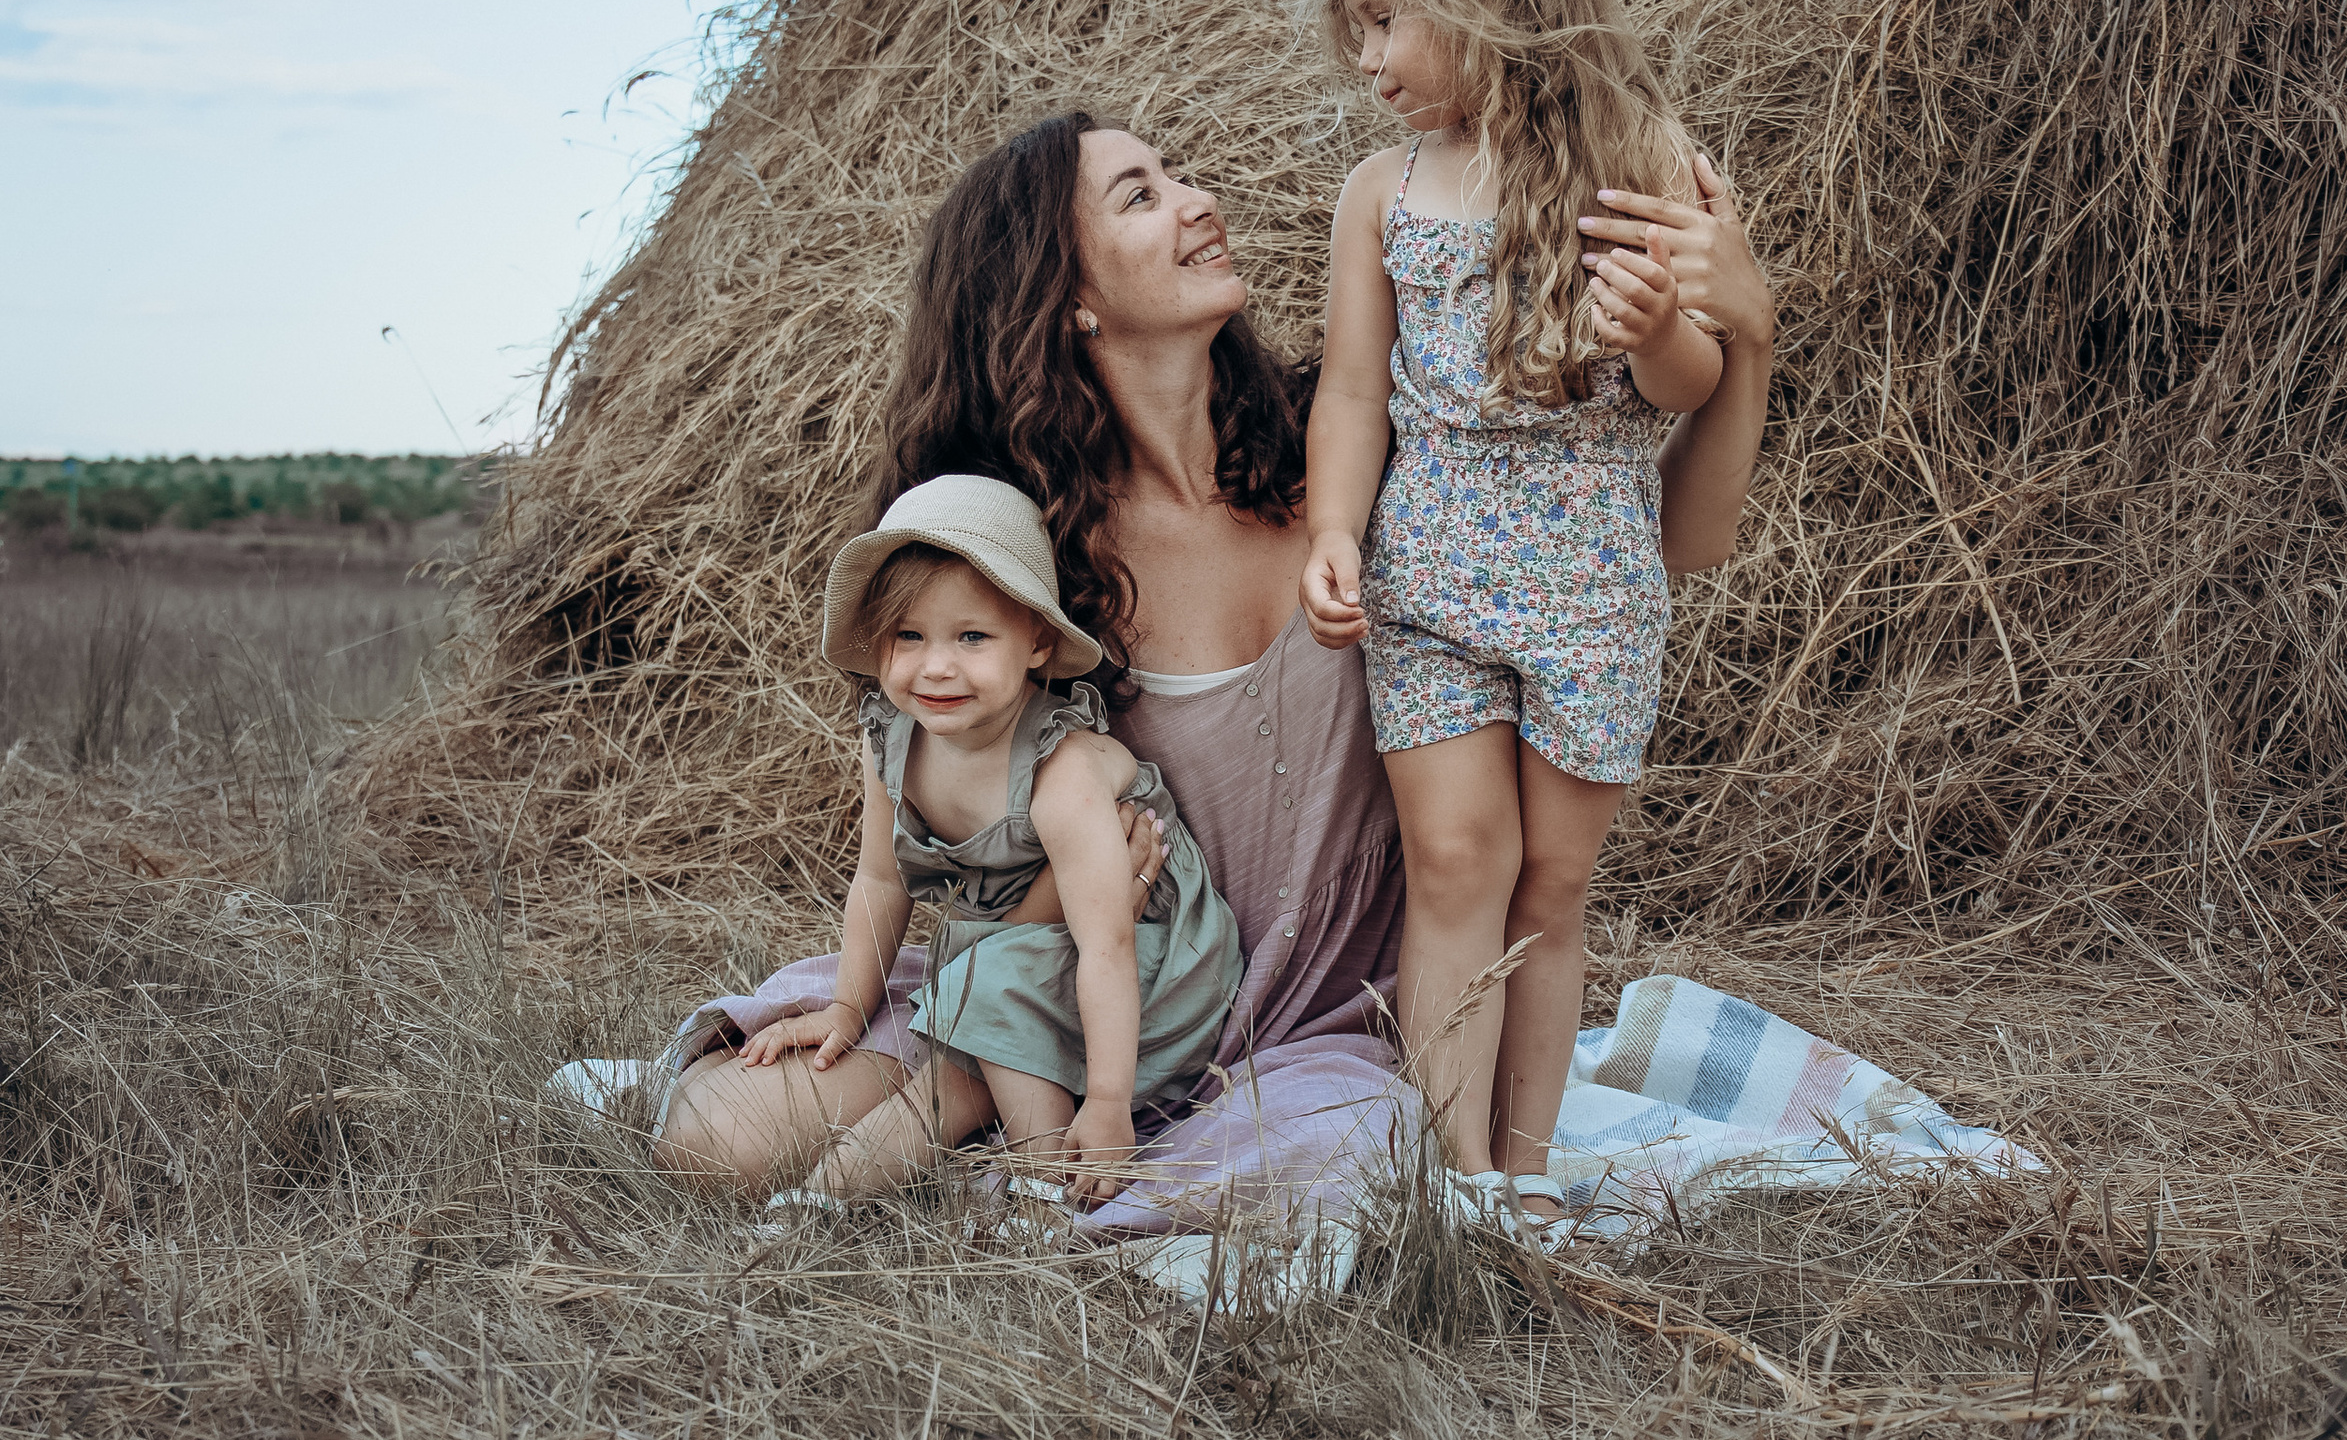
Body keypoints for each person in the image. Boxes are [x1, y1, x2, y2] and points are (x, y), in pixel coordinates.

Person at [654, 102, 1774, 1239]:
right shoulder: (1017, 560)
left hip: (1318, 1016)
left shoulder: (1350, 451)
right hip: (1084, 981)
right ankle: (1024, 1122)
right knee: (717, 1141)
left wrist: (1747, 347)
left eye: (1178, 175)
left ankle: (1025, 1164)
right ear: (1066, 296)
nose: (1198, 204)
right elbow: (937, 818)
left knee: (1359, 1168)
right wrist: (1038, 904)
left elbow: (1671, 538)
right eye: (1141, 196)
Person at [1296, 0, 1724, 1213]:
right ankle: (1451, 1178)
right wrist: (1335, 528)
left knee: (1549, 882)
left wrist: (1660, 328)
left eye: (1386, 19)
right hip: (1429, 579)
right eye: (1356, 27)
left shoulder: (1636, 155)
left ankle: (1526, 1173)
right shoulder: (1385, 192)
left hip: (1595, 582)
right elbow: (1356, 390)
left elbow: (1685, 388)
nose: (1369, 58)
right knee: (1458, 858)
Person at [736, 475, 1240, 1207]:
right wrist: (849, 1007)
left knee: (984, 995)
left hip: (1152, 969)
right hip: (1012, 953)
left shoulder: (1061, 771)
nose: (936, 665)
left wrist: (1108, 1100)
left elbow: (1108, 945)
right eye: (909, 635)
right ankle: (818, 1201)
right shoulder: (892, 742)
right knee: (963, 1048)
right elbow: (881, 881)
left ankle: (1044, 1184)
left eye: (972, 636)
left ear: (1036, 642)